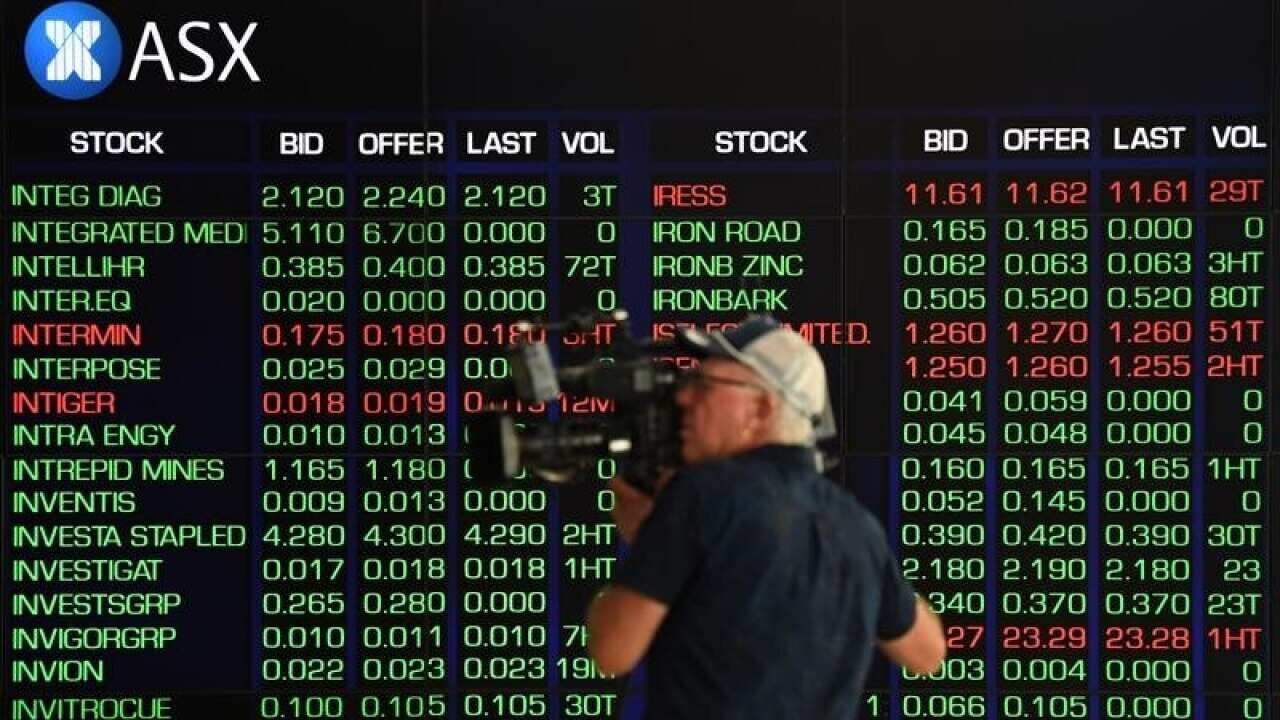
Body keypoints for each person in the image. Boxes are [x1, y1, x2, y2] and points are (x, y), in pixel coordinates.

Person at [586, 316, 945, 719]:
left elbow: (611, 650)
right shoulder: (858, 527)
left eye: (703, 386)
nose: (684, 398)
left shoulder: (700, 495)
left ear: (761, 408)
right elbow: (927, 653)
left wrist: (652, 542)